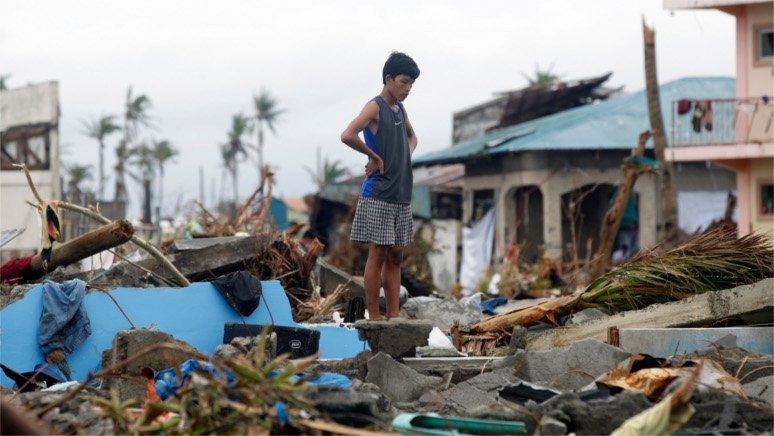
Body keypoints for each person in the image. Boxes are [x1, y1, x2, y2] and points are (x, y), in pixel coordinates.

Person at [340, 51, 420, 320]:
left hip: (401, 192)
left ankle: (394, 315)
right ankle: (374, 317)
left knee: (396, 254)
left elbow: (412, 138)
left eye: (411, 84)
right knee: (378, 253)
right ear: (388, 79)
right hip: (379, 193)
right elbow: (347, 135)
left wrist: (402, 158)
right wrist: (373, 156)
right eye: (403, 82)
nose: (407, 89)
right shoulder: (375, 107)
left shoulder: (400, 108)